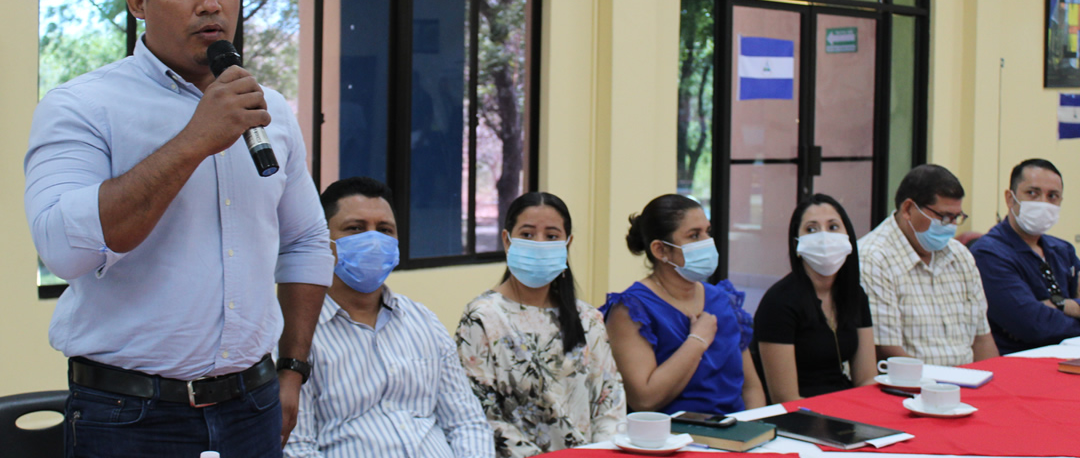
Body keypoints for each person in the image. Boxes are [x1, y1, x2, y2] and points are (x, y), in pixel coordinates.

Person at [23, 0, 333, 457]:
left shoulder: (270, 110)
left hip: (253, 405)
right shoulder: (81, 106)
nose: (211, 4)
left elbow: (306, 241)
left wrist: (293, 371)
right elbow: (63, 251)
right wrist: (195, 139)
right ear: (139, 2)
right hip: (126, 415)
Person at [285, 177, 493, 458]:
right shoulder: (296, 337)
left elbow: (466, 422)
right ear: (324, 239)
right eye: (355, 229)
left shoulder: (423, 322)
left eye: (384, 230)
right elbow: (297, 447)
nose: (373, 240)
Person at [455, 192, 624, 458]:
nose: (539, 243)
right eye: (528, 234)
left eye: (552, 236)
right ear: (507, 240)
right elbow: (481, 413)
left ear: (567, 244)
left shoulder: (588, 319)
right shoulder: (483, 317)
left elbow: (609, 403)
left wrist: (600, 454)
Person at [601, 194, 765, 415]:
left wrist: (751, 431)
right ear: (660, 250)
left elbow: (751, 387)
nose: (707, 242)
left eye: (707, 232)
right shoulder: (632, 309)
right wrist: (696, 342)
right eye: (694, 235)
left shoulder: (722, 299)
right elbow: (644, 399)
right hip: (673, 438)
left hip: (737, 434)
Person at [858, 164, 998, 366]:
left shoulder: (960, 256)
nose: (950, 226)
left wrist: (992, 383)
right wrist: (943, 385)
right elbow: (884, 350)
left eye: (956, 217)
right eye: (943, 217)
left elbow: (982, 338)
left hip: (967, 383)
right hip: (912, 387)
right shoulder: (873, 259)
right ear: (908, 209)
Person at [754, 194, 876, 402]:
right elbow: (785, 398)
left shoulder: (854, 295)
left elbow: (866, 379)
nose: (824, 237)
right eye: (811, 229)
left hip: (846, 409)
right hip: (800, 417)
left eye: (833, 227)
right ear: (796, 245)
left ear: (848, 237)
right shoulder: (779, 302)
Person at [970, 159, 1080, 353]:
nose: (1043, 203)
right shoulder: (989, 253)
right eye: (1032, 193)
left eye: (1052, 196)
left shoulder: (1063, 250)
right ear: (1010, 198)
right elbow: (1033, 325)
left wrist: (1058, 305)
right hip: (1018, 363)